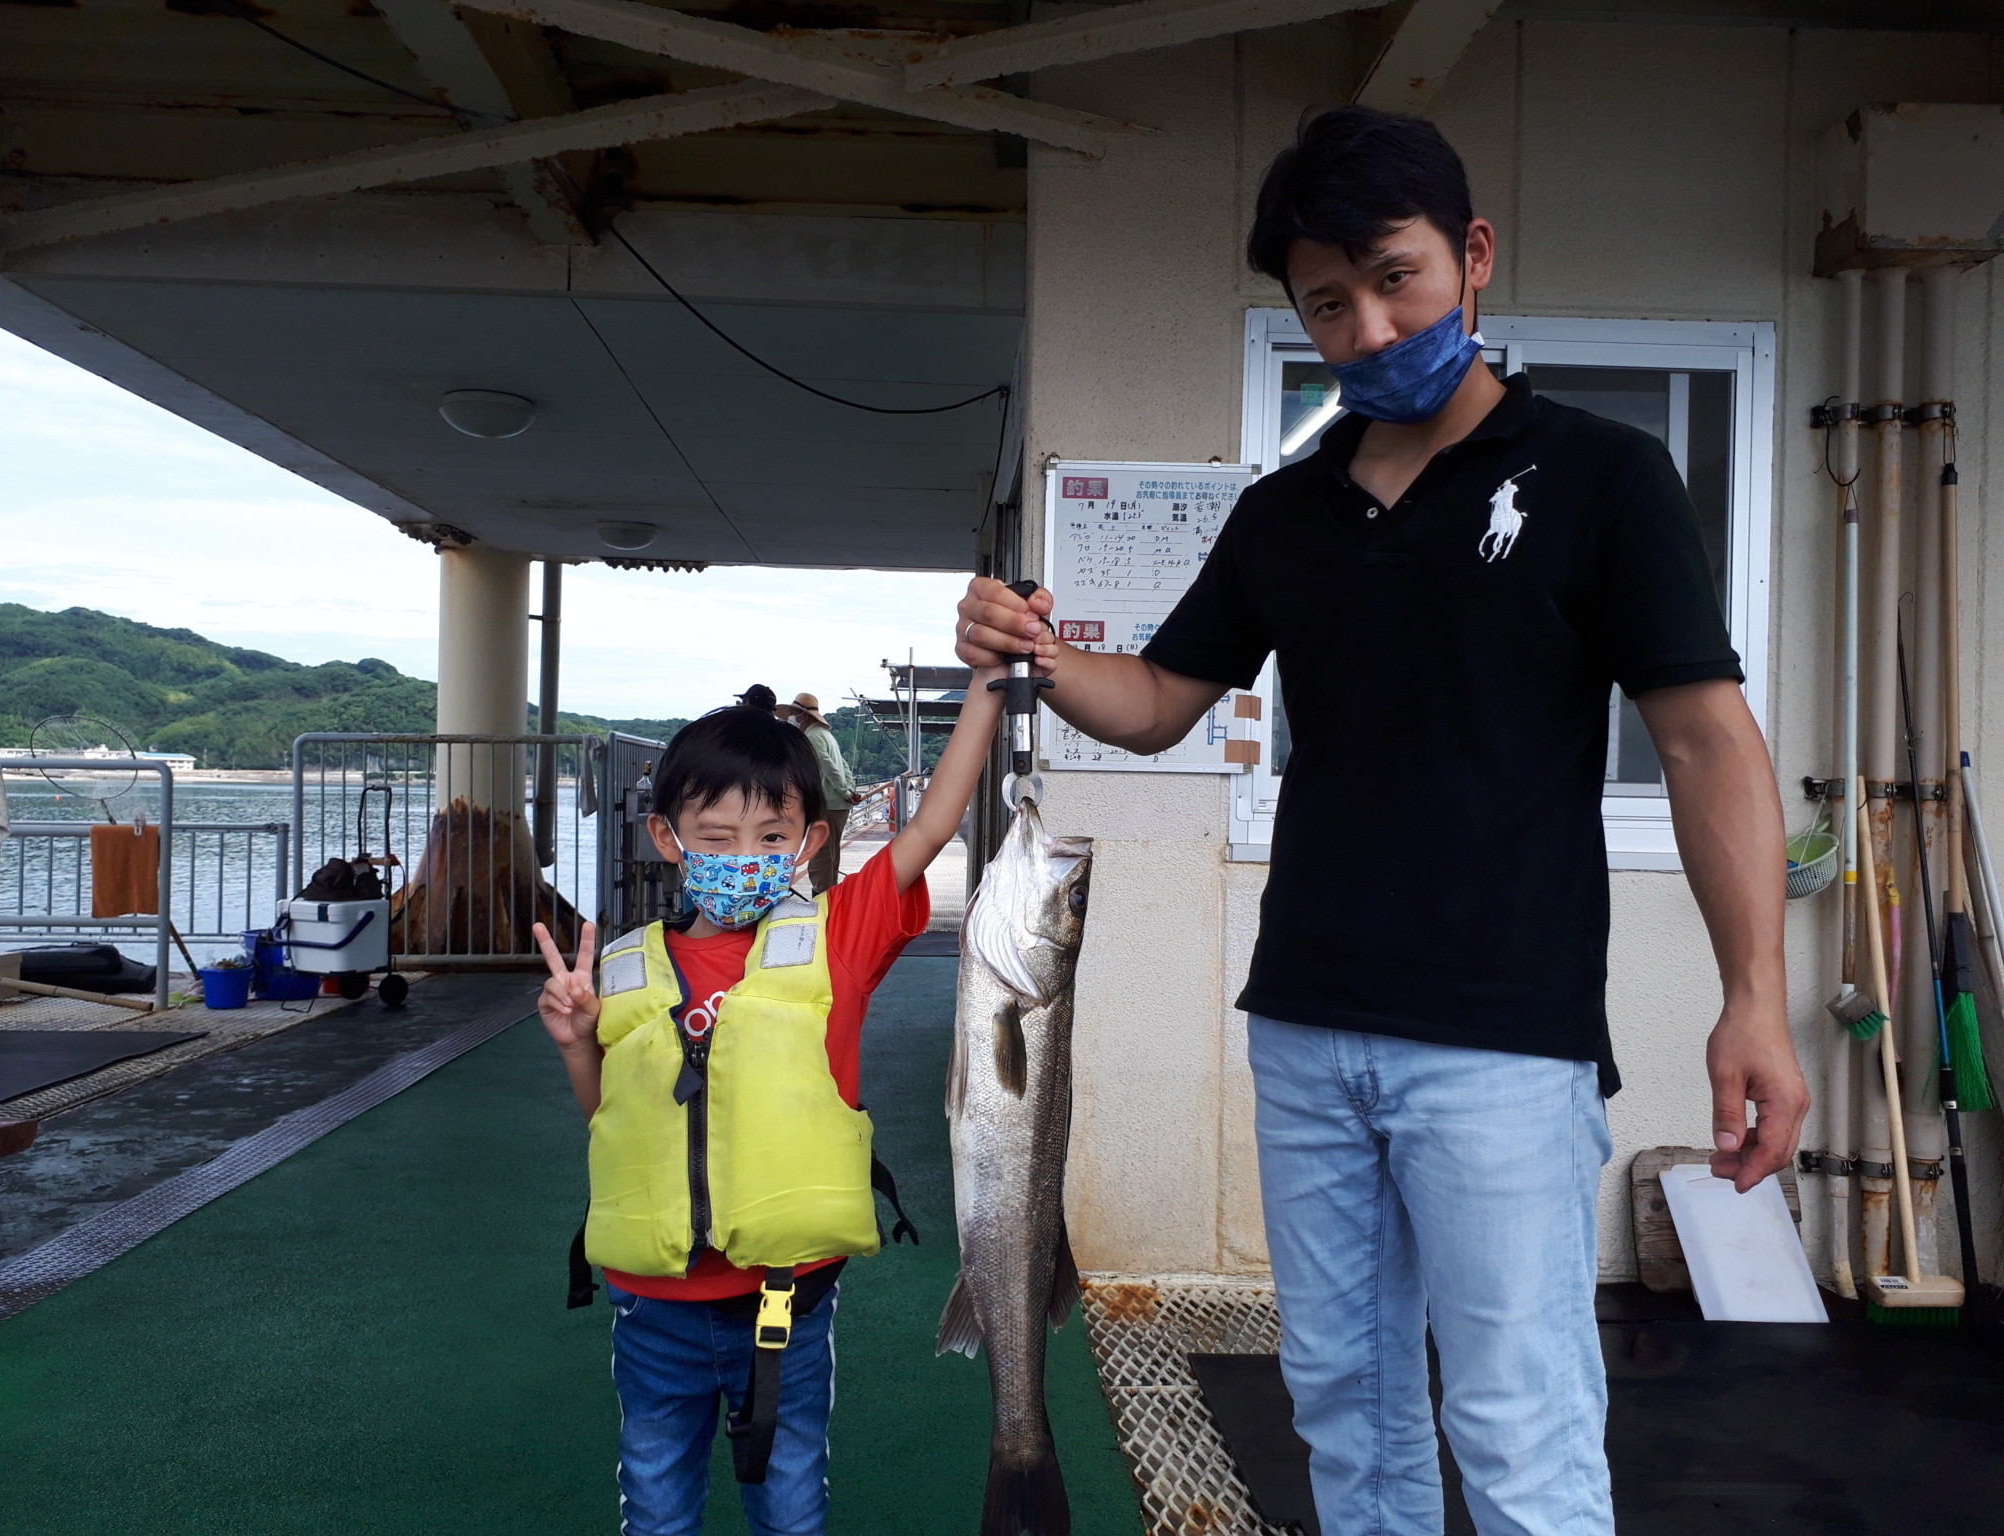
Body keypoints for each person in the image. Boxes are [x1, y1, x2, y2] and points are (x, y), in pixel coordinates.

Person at [954, 106, 1806, 1536]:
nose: (1364, 327)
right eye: (1325, 303)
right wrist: (1035, 652)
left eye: (1394, 278)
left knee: (1516, 1417)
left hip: (1501, 1039)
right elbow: (1163, 696)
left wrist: (1755, 1000)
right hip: (1304, 1024)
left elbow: (1708, 739)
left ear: (1472, 257)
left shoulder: (1601, 476)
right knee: (1344, 1409)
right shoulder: (1286, 515)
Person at [531, 667, 1006, 1536]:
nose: (742, 855)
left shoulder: (840, 934)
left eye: (769, 834)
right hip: (650, 1300)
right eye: (715, 835)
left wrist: (985, 685)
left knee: (790, 1509)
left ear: (809, 840)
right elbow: (612, 1121)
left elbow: (935, 821)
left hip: (782, 1302)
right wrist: (574, 1045)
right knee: (656, 1508)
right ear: (668, 839)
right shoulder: (623, 967)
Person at [778, 692, 860, 894]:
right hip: (839, 804)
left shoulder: (812, 737)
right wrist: (849, 790)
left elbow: (829, 766)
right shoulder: (826, 736)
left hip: (827, 803)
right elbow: (843, 765)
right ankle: (832, 897)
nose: (792, 717)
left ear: (803, 715)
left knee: (820, 853)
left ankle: (821, 898)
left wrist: (843, 790)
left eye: (794, 713)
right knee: (831, 853)